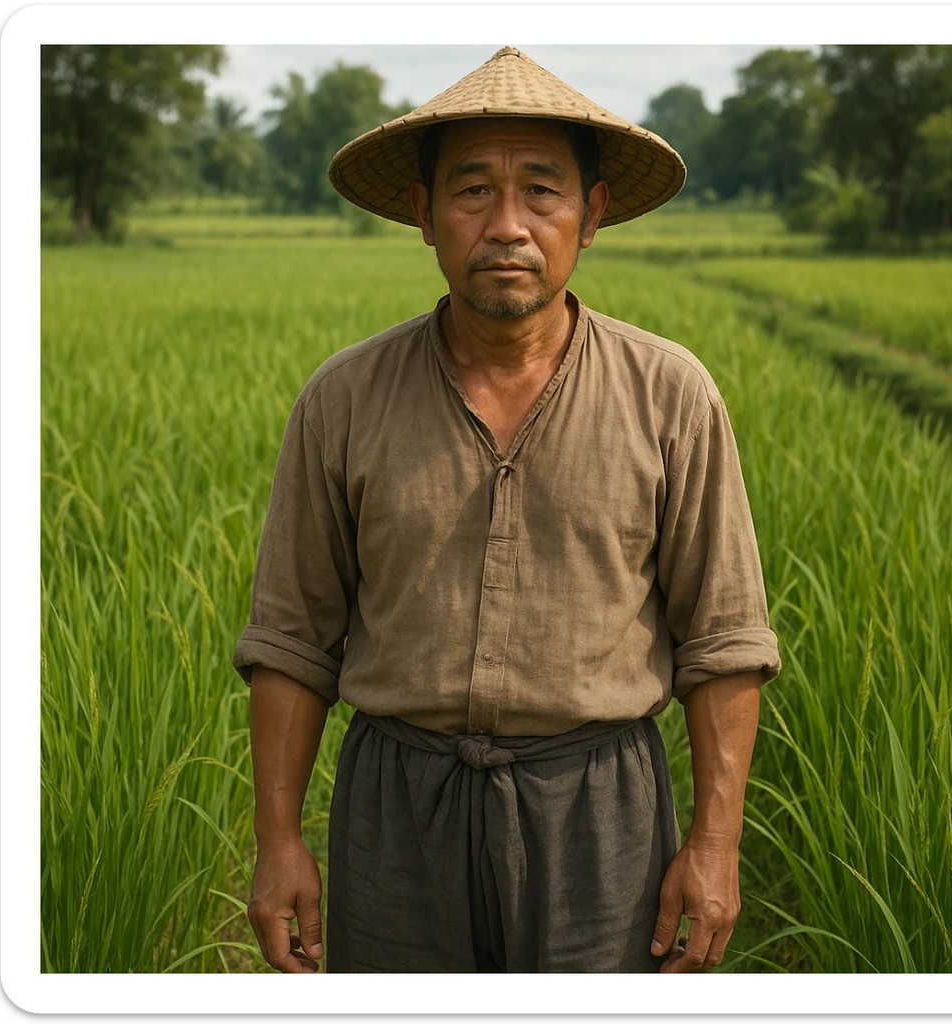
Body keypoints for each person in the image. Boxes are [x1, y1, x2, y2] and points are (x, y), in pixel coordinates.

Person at [232, 46, 781, 975]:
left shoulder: (669, 394)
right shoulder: (345, 399)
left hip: (598, 811)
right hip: (396, 813)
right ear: (424, 212)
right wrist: (279, 842)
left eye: (543, 191)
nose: (508, 225)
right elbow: (292, 639)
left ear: (592, 213)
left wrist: (715, 844)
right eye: (473, 190)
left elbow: (724, 640)